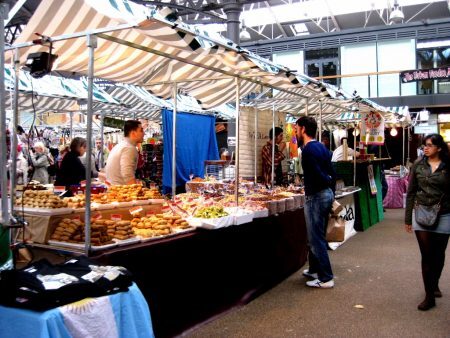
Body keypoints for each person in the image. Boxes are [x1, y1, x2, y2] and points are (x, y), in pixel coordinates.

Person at [405, 133, 450, 311]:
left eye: (430, 145)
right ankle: (429, 296)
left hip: (444, 214)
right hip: (422, 213)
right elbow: (411, 192)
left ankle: (435, 283)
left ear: (439, 148)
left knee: (439, 255)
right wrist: (408, 218)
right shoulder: (418, 164)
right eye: (425, 145)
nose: (426, 147)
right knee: (427, 256)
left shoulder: (448, 167)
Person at [295, 116, 336, 288]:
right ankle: (313, 269)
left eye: (297, 128)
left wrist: (325, 180)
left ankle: (326, 277)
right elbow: (332, 171)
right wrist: (329, 183)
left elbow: (319, 174)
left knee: (316, 238)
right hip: (325, 195)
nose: (295, 132)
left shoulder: (308, 151)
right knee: (316, 235)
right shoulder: (321, 147)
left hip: (316, 196)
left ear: (303, 129)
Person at [105, 120, 144, 185]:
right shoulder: (129, 148)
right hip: (120, 191)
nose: (143, 133)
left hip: (114, 189)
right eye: (141, 130)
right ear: (133, 133)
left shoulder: (121, 145)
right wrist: (136, 192)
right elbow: (127, 174)